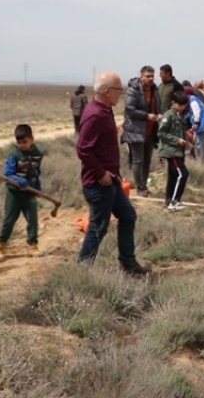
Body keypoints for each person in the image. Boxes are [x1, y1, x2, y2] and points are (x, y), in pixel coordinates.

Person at [75, 72, 150, 275]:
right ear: (107, 92)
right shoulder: (95, 114)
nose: (121, 93)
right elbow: (82, 149)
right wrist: (100, 174)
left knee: (127, 216)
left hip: (112, 181)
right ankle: (82, 272)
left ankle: (128, 263)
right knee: (98, 227)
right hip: (99, 183)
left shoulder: (104, 110)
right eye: (119, 90)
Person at [0, 124, 45, 261]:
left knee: (33, 220)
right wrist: (18, 180)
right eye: (19, 142)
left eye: (25, 142)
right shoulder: (14, 154)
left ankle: (32, 245)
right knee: (9, 220)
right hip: (14, 194)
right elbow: (8, 173)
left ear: (32, 139)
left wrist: (38, 188)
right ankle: (0, 245)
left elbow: (36, 172)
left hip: (29, 193)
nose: (22, 145)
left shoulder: (37, 154)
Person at [121, 66, 159, 195]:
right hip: (135, 130)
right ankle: (140, 187)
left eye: (152, 76)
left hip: (150, 130)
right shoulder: (134, 90)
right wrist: (147, 115)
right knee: (138, 160)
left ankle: (144, 185)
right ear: (141, 76)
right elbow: (130, 109)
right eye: (148, 76)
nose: (150, 78)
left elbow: (156, 106)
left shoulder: (155, 90)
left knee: (147, 160)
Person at [157, 91, 193, 210]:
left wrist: (186, 143)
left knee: (173, 176)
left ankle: (169, 200)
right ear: (173, 102)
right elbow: (161, 133)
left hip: (178, 150)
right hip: (171, 151)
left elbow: (181, 132)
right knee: (182, 173)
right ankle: (174, 201)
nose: (183, 107)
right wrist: (177, 140)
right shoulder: (168, 115)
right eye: (180, 104)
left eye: (184, 105)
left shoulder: (179, 115)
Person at [187, 86, 204, 162]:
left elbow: (197, 111)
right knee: (200, 142)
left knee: (199, 143)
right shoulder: (194, 98)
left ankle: (202, 161)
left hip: (203, 123)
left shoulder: (192, 100)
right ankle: (203, 159)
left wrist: (196, 123)